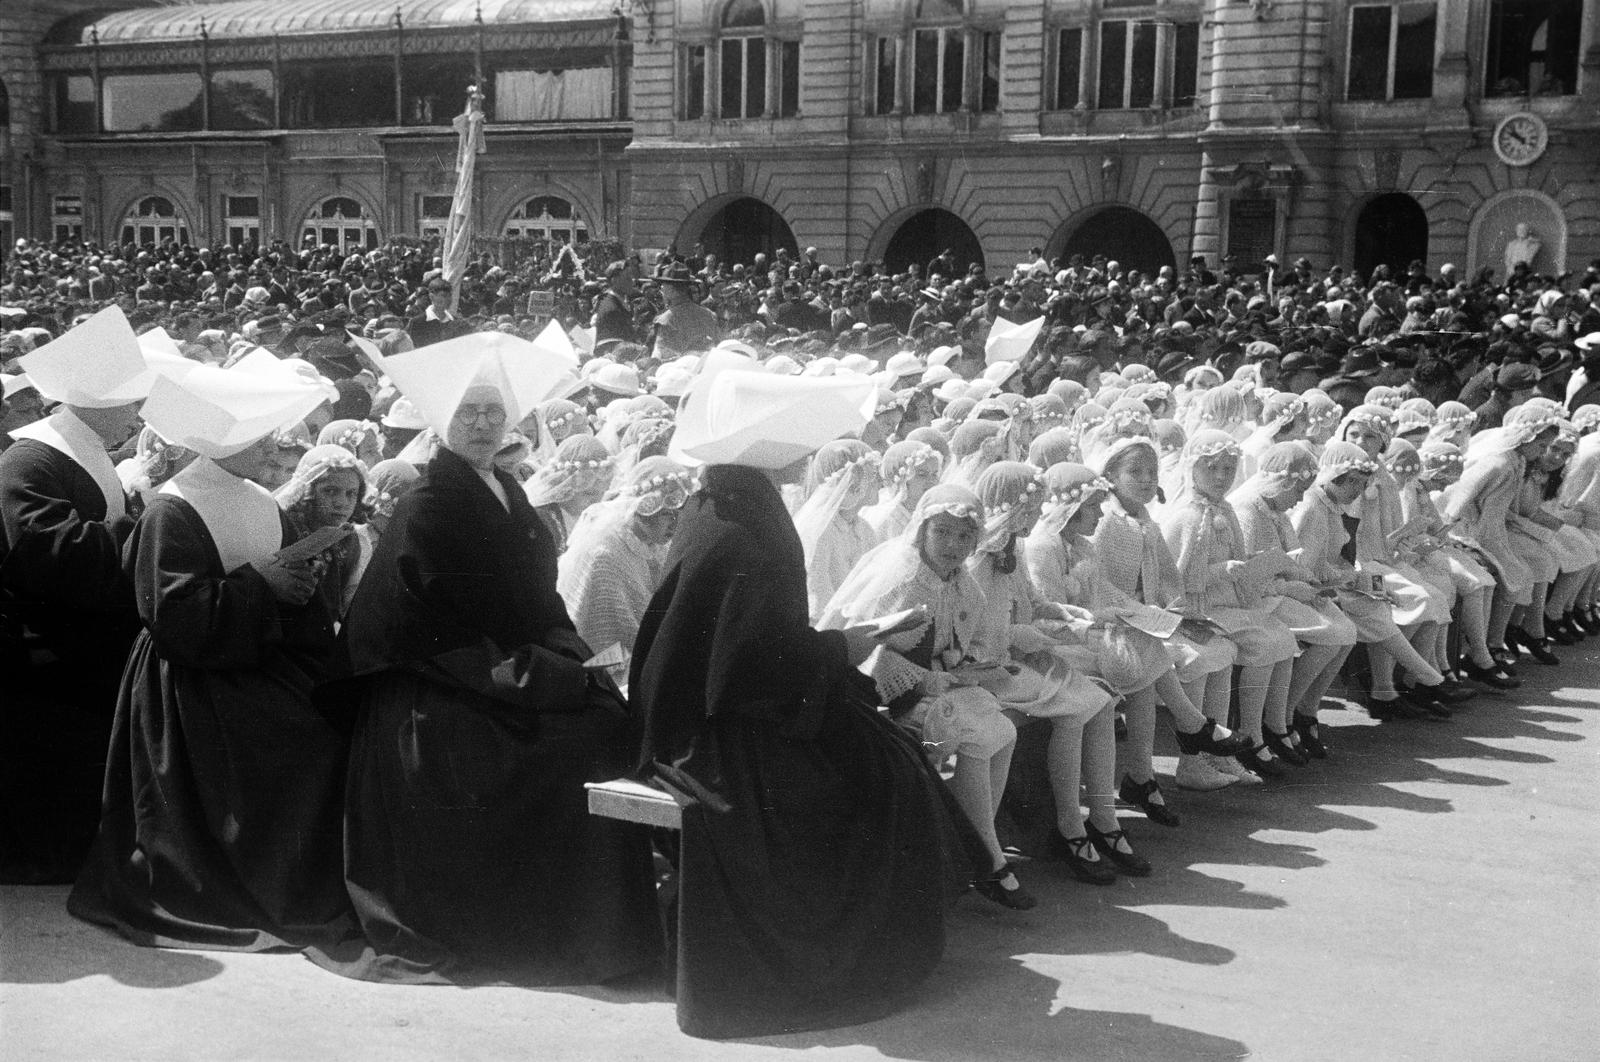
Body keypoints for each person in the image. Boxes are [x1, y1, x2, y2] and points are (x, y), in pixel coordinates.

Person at [632, 367, 983, 1039]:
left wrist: (833, 648)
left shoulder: (731, 502)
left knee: (888, 752)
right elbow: (749, 662)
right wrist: (845, 646)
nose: (804, 454)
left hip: (725, 706)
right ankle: (857, 950)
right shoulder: (744, 522)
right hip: (720, 726)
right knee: (877, 773)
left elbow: (751, 648)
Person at [311, 354, 662, 986]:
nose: (480, 424)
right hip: (435, 692)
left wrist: (571, 653)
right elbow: (425, 632)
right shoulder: (428, 503)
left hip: (500, 672)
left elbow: (538, 597)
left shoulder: (507, 492)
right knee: (571, 749)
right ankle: (551, 929)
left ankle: (594, 927)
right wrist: (536, 675)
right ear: (443, 420)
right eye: (467, 412)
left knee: (608, 720)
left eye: (493, 411)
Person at [67, 361, 355, 949]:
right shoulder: (172, 508)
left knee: (322, 735)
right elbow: (175, 616)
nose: (272, 445)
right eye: (257, 435)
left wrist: (301, 583)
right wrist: (264, 586)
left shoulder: (263, 501)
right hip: (190, 684)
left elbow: (283, 588)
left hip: (258, 660)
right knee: (285, 745)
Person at [821, 483, 1034, 909]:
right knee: (976, 731)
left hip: (929, 688)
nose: (953, 546)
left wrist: (970, 668)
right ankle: (987, 859)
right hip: (877, 699)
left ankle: (972, 842)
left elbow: (953, 647)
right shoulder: (903, 577)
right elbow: (866, 651)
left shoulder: (961, 584)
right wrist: (927, 680)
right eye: (942, 533)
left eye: (963, 537)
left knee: (1002, 729)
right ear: (922, 530)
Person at [0, 307, 153, 882]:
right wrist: (142, 530)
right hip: (54, 645)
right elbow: (43, 549)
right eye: (131, 402)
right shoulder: (32, 456)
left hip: (87, 638)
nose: (138, 416)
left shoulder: (72, 448)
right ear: (96, 401)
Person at [557, 456, 694, 686]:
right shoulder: (606, 553)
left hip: (630, 659)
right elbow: (608, 639)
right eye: (666, 514)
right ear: (642, 509)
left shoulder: (653, 544)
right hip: (592, 669)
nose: (674, 524)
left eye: (680, 515)